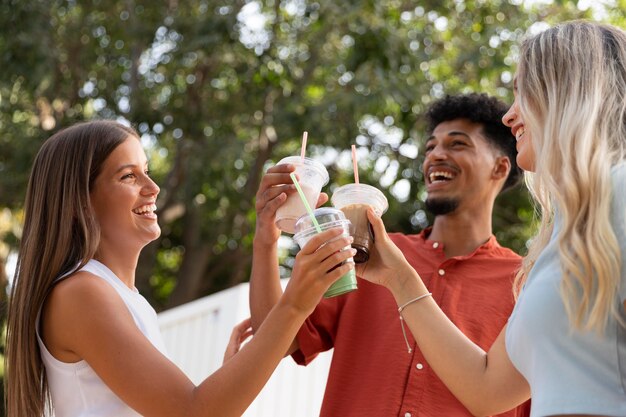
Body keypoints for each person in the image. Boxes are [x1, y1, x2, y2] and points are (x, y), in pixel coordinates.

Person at [357, 20, 626, 417]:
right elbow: (486, 389)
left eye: (524, 93)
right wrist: (398, 276)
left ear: (569, 92)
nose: (509, 116)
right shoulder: (558, 236)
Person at [4, 120, 356, 417]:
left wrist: (266, 238)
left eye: (148, 171)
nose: (153, 188)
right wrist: (296, 302)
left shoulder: (124, 297)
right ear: (79, 199)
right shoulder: (82, 293)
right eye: (128, 176)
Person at [250, 93, 531, 416]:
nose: (435, 155)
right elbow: (276, 340)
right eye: (430, 147)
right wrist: (266, 238)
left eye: (457, 144)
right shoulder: (365, 255)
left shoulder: (525, 282)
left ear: (499, 167)